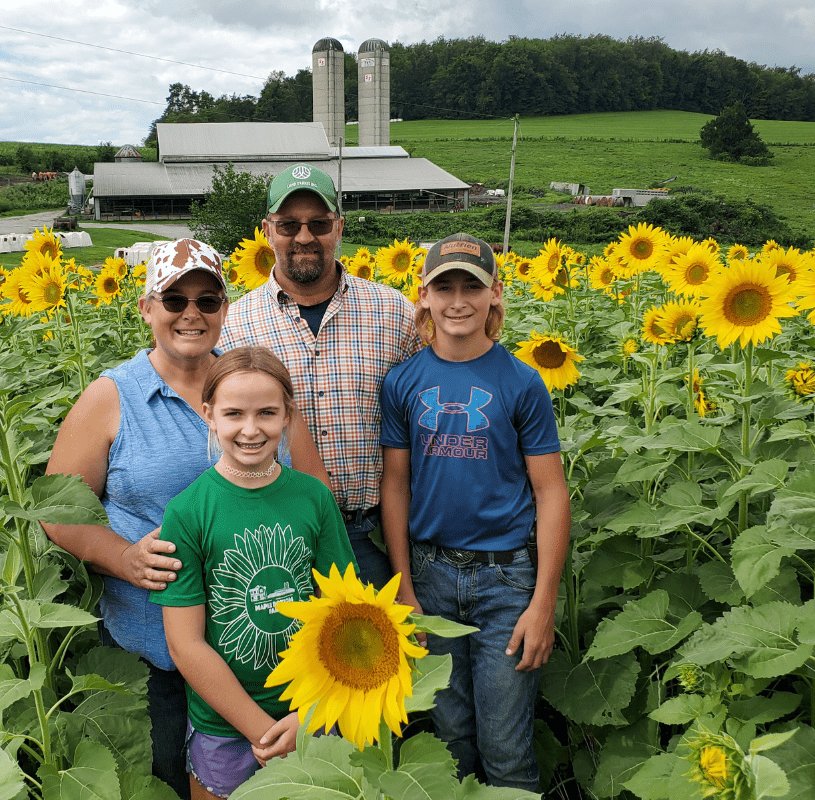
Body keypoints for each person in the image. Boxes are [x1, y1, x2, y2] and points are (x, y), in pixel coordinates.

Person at [42, 240, 330, 797]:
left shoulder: (255, 387)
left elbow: (313, 492)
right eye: (174, 299)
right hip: (158, 649)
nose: (191, 313)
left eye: (207, 299)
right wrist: (122, 557)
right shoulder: (111, 396)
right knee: (168, 781)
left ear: (225, 307)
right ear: (148, 308)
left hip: (268, 653)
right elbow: (59, 509)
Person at [378, 233, 570, 792]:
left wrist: (543, 603)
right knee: (451, 735)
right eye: (444, 287)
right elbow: (396, 486)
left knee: (506, 747)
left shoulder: (521, 381)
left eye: (471, 286)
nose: (457, 300)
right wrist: (404, 584)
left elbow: (551, 494)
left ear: (495, 295)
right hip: (431, 575)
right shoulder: (403, 382)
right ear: (424, 296)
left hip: (506, 580)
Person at [151, 346, 357, 800]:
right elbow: (185, 644)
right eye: (233, 413)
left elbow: (347, 616)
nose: (250, 429)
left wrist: (310, 715)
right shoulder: (188, 512)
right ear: (209, 415)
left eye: (267, 412)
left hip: (311, 714)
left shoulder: (313, 499)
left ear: (288, 415)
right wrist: (262, 732)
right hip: (225, 726)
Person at [219, 163, 421, 590]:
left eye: (319, 223)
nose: (305, 237)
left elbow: (424, 421)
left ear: (339, 227)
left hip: (378, 537)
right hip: (274, 537)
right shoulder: (236, 325)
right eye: (289, 225)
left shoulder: (393, 312)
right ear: (267, 230)